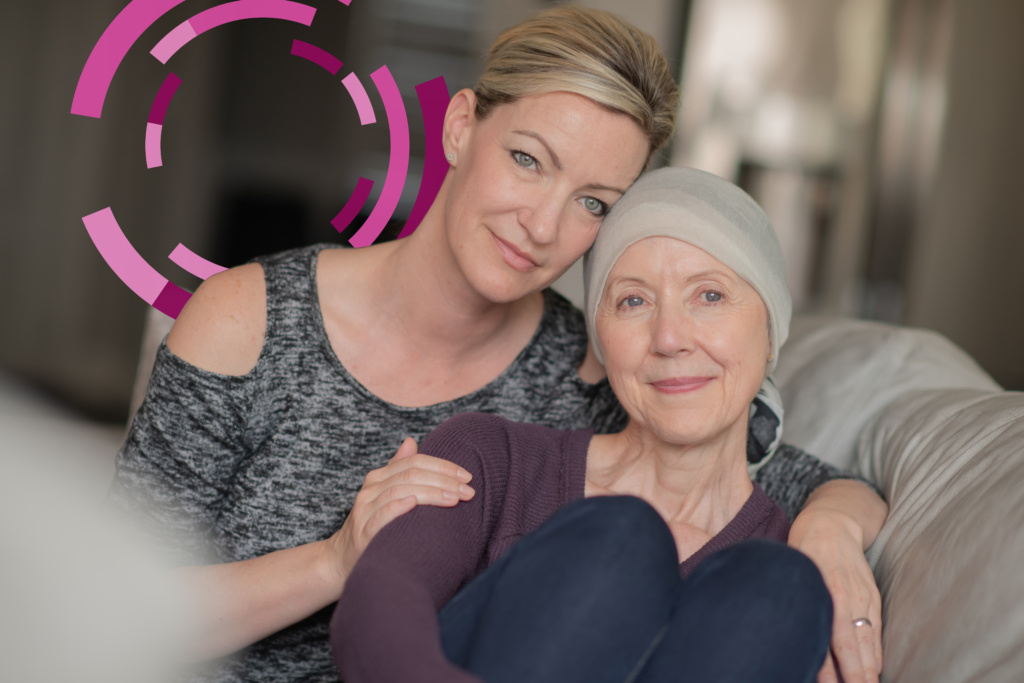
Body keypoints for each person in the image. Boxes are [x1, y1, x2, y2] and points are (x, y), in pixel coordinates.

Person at [109, 6, 883, 683]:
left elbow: (763, 461)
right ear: (460, 125)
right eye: (527, 159)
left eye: (591, 202)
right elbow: (107, 604)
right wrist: (335, 560)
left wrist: (832, 526)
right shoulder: (253, 321)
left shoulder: (590, 365)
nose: (543, 225)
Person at [330, 167, 882, 683]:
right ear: (602, 339)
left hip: (774, 585)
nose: (669, 338)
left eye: (709, 296)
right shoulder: (492, 458)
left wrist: (833, 524)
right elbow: (375, 605)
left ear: (769, 335)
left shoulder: (788, 549)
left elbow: (845, 497)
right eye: (633, 301)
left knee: (782, 586)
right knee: (620, 539)